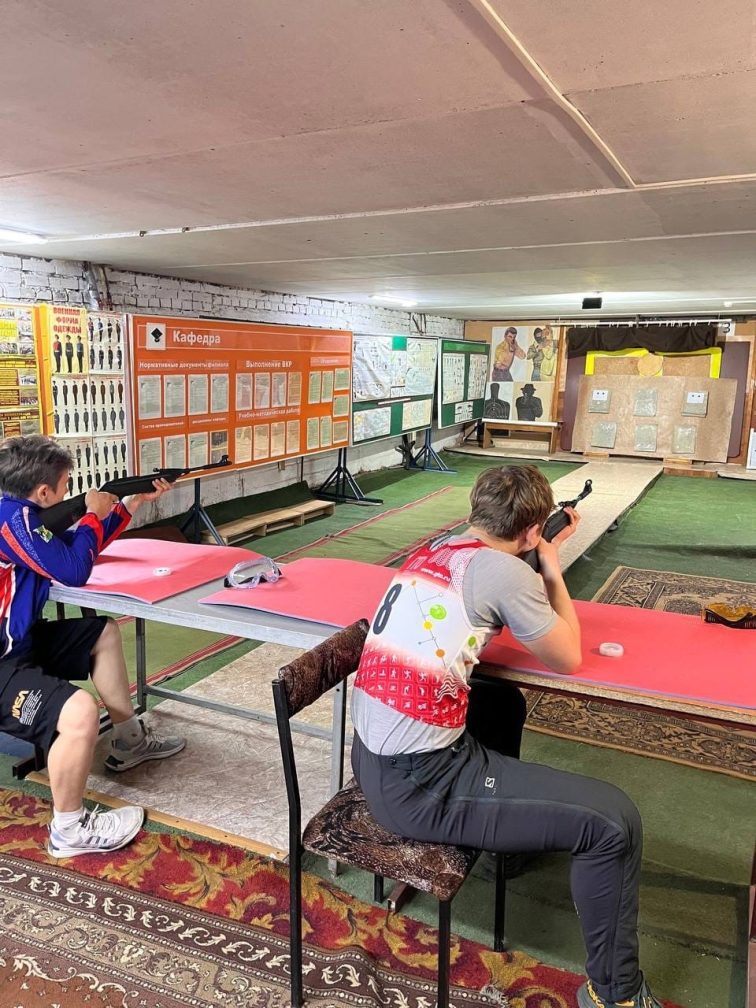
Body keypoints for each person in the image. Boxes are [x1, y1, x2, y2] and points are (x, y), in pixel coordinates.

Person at [351, 465, 661, 1008]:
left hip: (374, 759)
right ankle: (617, 995)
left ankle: (508, 850)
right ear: (532, 530)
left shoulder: (436, 550)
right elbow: (567, 655)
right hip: (420, 785)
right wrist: (550, 564)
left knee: (501, 701)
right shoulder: (506, 570)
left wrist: (529, 556)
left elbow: (470, 603)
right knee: (614, 822)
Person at [0, 435, 186, 859]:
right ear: (43, 492)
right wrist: (91, 514)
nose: (69, 491)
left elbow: (75, 549)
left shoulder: (21, 515)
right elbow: (74, 570)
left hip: (18, 643)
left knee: (102, 633)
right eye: (66, 485)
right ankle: (69, 829)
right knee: (80, 713)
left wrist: (127, 506)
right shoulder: (10, 521)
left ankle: (129, 740)